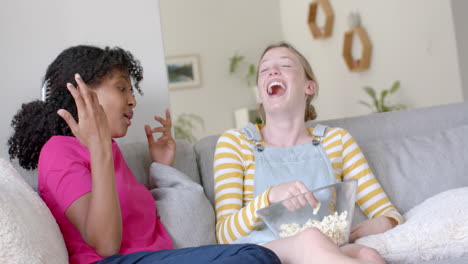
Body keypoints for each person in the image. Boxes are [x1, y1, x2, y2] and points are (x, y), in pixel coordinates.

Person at [7, 45, 281, 264]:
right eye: (122, 87)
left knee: (258, 254)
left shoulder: (111, 151)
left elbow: (134, 226)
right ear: (82, 93)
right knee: (255, 257)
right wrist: (99, 147)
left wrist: (162, 166)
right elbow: (105, 244)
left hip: (155, 258)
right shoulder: (59, 151)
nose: (132, 100)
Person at [213, 42, 405, 264]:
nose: (273, 71)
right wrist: (269, 197)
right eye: (264, 70)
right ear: (260, 93)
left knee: (368, 255)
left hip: (324, 251)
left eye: (285, 65)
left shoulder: (337, 141)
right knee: (312, 237)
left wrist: (385, 222)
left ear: (309, 87)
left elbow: (388, 212)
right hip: (261, 254)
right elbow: (224, 236)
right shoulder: (235, 143)